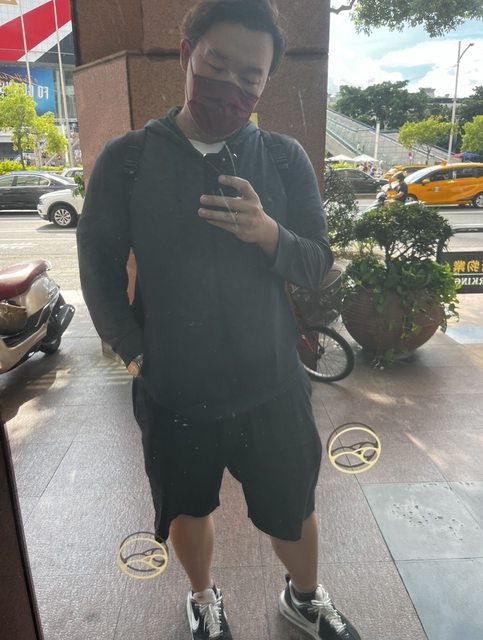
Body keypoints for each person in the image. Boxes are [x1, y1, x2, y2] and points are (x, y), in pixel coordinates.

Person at [77, 1, 361, 639]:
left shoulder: (283, 159)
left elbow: (318, 262)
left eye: (250, 75)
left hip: (273, 382)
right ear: (187, 55)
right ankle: (203, 597)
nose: (231, 85)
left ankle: (304, 597)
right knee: (186, 507)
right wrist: (134, 350)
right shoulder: (128, 161)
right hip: (174, 388)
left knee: (293, 505)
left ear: (266, 82)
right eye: (217, 63)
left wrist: (268, 234)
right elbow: (96, 266)